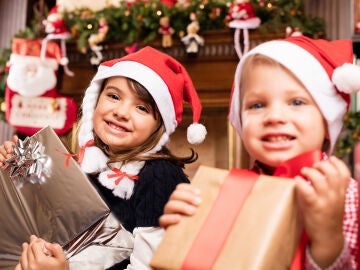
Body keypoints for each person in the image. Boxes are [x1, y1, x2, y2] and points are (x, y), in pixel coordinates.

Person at [159, 36, 360, 269]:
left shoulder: (347, 197)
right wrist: (184, 232)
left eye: (296, 102)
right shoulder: (227, 193)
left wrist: (329, 240)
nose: (274, 117)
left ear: (327, 121)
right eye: (257, 105)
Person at [0, 46, 207, 269]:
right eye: (114, 96)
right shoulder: (86, 163)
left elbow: (153, 265)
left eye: (141, 108)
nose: (121, 112)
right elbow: (49, 222)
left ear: (159, 126)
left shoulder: (159, 176)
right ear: (95, 101)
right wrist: (14, 168)